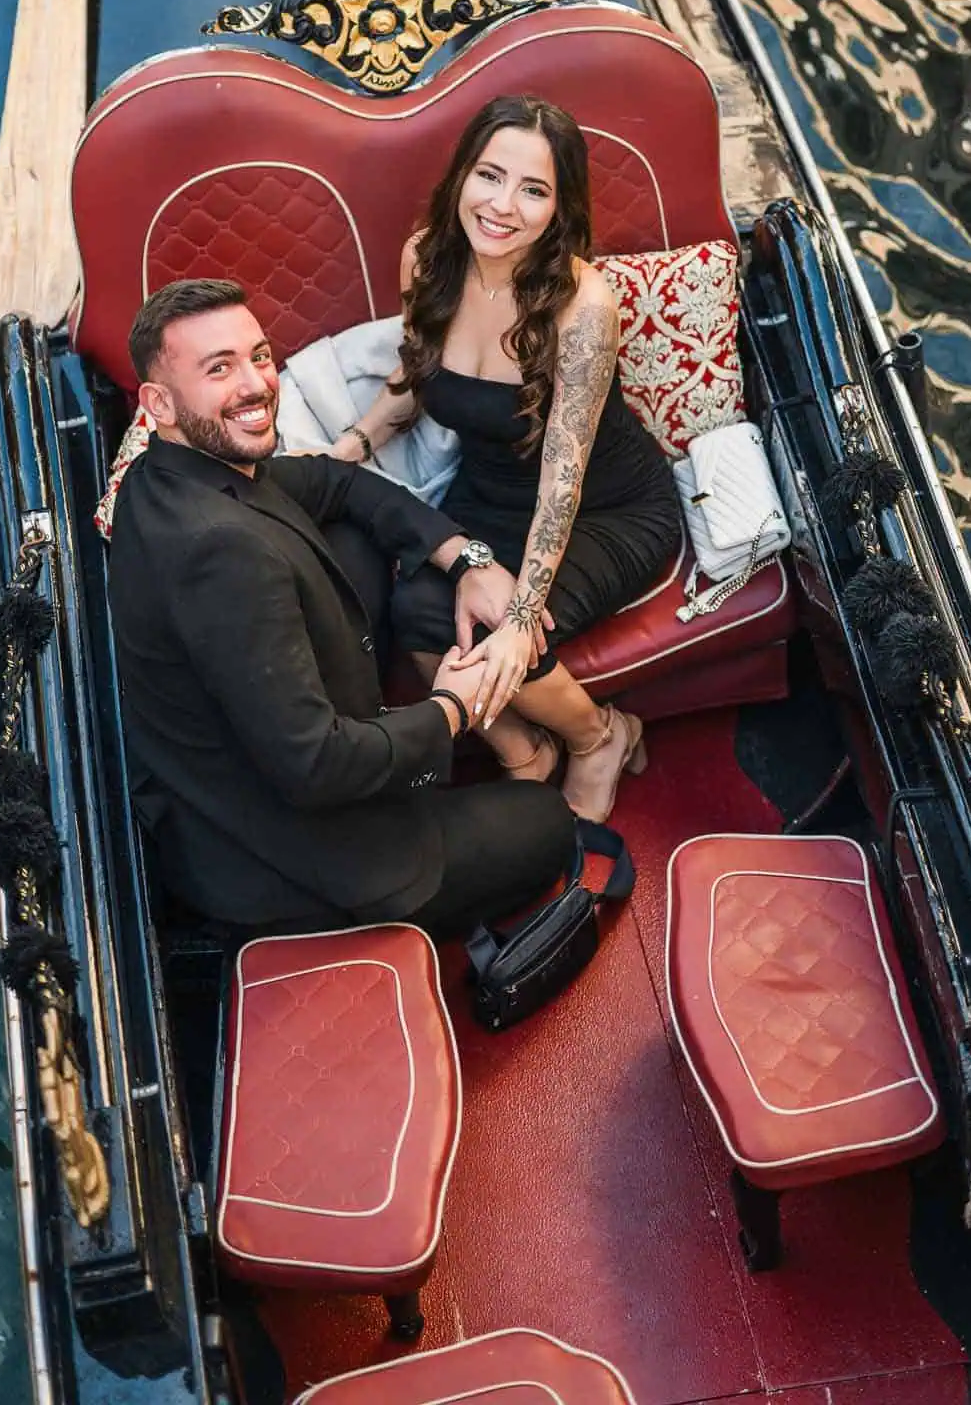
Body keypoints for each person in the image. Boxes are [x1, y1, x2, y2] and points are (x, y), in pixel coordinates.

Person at [107, 277, 575, 938]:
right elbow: (314, 768)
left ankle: (388, 732)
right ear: (158, 402)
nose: (255, 385)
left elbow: (337, 482)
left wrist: (465, 558)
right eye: (219, 369)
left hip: (250, 762)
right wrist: (451, 709)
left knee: (350, 532)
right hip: (284, 857)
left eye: (260, 356)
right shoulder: (220, 554)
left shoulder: (172, 473)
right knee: (546, 823)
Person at [331, 96, 682, 824]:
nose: (502, 206)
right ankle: (525, 754)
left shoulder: (582, 306)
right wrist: (348, 449)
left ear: (559, 207)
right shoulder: (426, 256)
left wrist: (523, 616)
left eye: (533, 190)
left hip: (606, 508)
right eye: (489, 176)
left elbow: (564, 474)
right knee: (416, 614)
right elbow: (416, 377)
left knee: (497, 636)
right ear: (461, 175)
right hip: (488, 495)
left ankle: (598, 737)